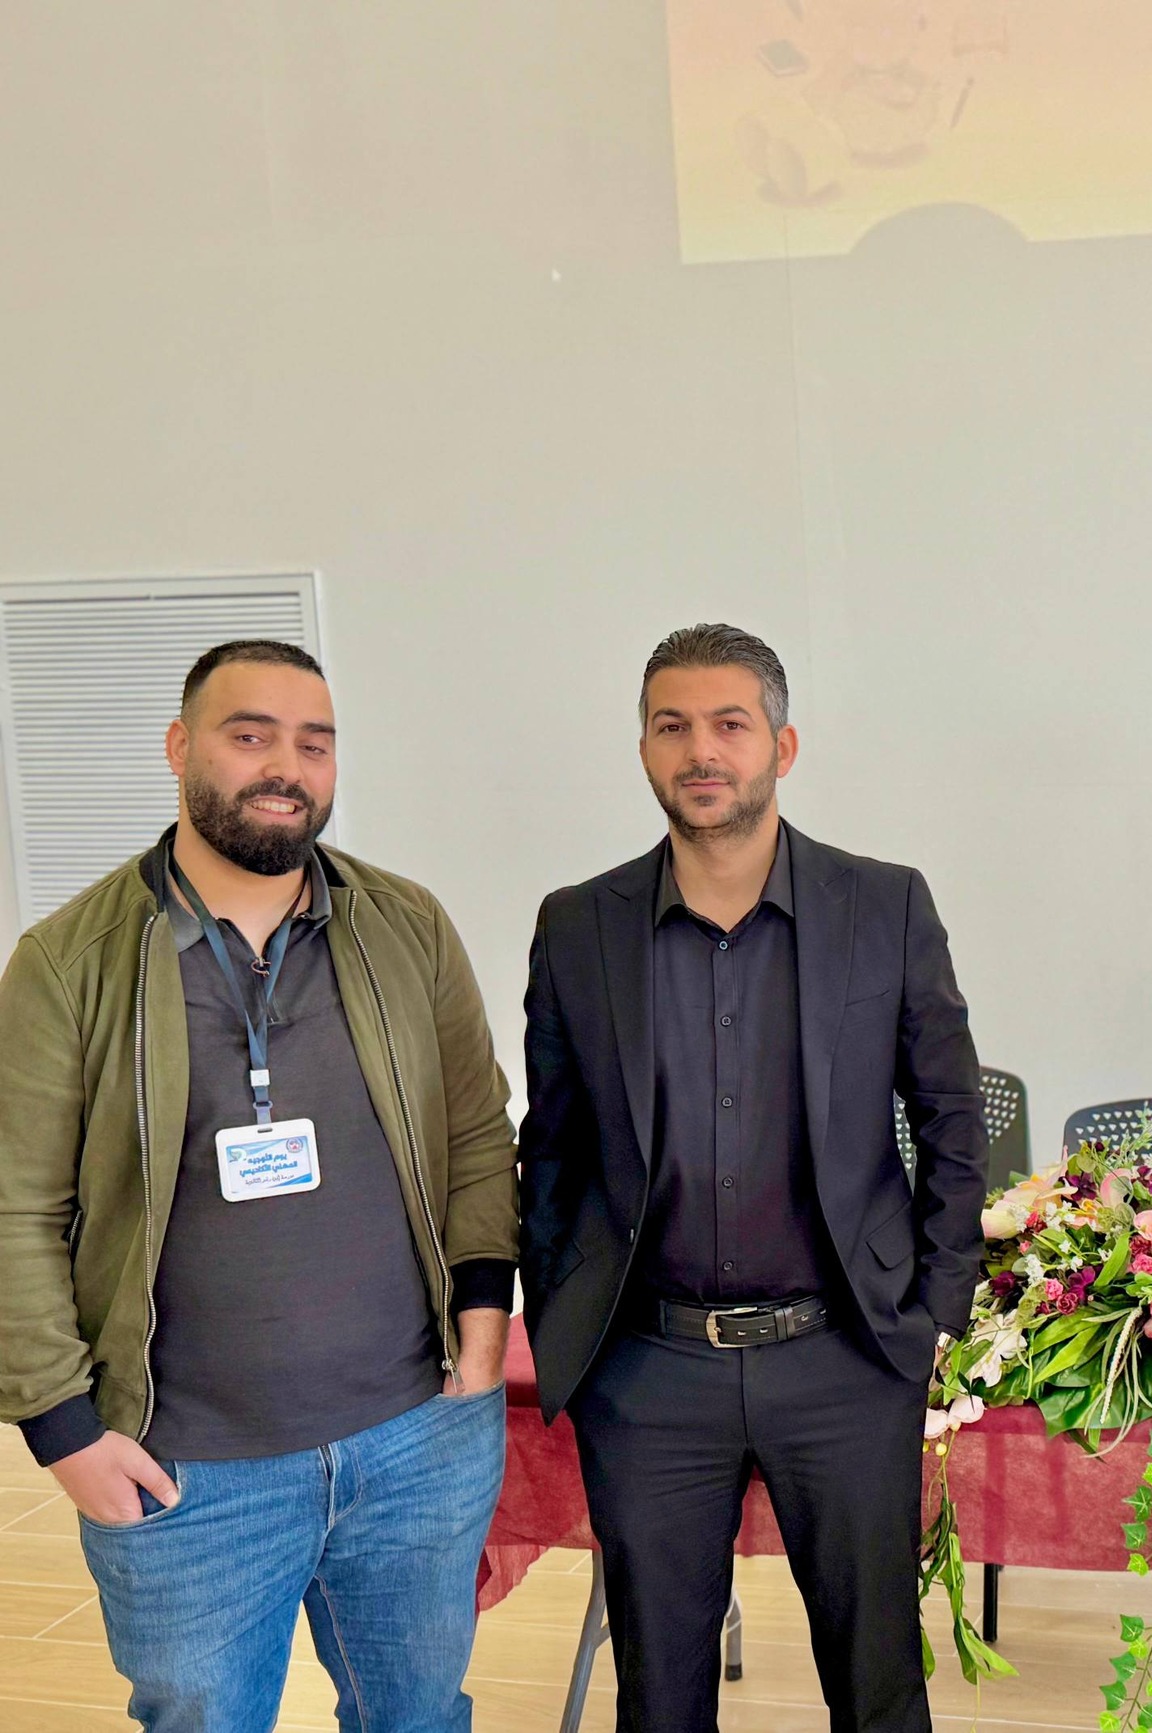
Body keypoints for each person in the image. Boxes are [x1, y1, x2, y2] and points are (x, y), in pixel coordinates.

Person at [0, 638, 519, 1731]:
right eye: (251, 735)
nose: (286, 766)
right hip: (187, 1473)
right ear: (180, 746)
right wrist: (62, 1428)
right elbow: (15, 1208)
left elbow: (476, 1132)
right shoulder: (67, 962)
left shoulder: (407, 926)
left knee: (421, 1716)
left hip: (416, 1441)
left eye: (314, 743)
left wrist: (481, 1327)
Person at [518, 622, 987, 1732]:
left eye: (729, 724)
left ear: (782, 744)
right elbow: (553, 1143)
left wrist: (933, 1311)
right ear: (643, 748)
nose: (701, 750)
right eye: (671, 725)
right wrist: (564, 1309)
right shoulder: (578, 924)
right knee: (660, 1695)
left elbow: (952, 1117)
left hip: (844, 1356)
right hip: (649, 1370)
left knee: (878, 1687)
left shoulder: (884, 904)